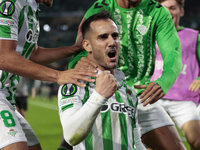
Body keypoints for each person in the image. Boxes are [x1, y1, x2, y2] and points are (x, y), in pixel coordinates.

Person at [66, 0, 186, 149]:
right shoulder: (101, 7)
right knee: (78, 132)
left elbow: (173, 55)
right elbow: (81, 49)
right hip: (105, 92)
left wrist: (164, 82)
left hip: (142, 97)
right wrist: (77, 65)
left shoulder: (157, 11)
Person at [0, 0, 98, 149]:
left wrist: (74, 48)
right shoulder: (10, 2)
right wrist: (58, 75)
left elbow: (33, 53)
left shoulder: (32, 8)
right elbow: (3, 56)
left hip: (7, 96)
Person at [58, 11, 146, 150]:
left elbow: (135, 140)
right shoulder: (75, 84)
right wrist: (99, 97)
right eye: (103, 37)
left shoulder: (128, 91)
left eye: (115, 36)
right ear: (87, 45)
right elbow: (71, 136)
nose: (112, 42)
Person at [151, 0, 200, 149]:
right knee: (147, 143)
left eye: (172, 8)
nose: (168, 12)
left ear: (181, 11)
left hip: (184, 98)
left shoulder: (194, 36)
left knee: (197, 141)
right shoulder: (148, 36)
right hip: (153, 96)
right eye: (164, 8)